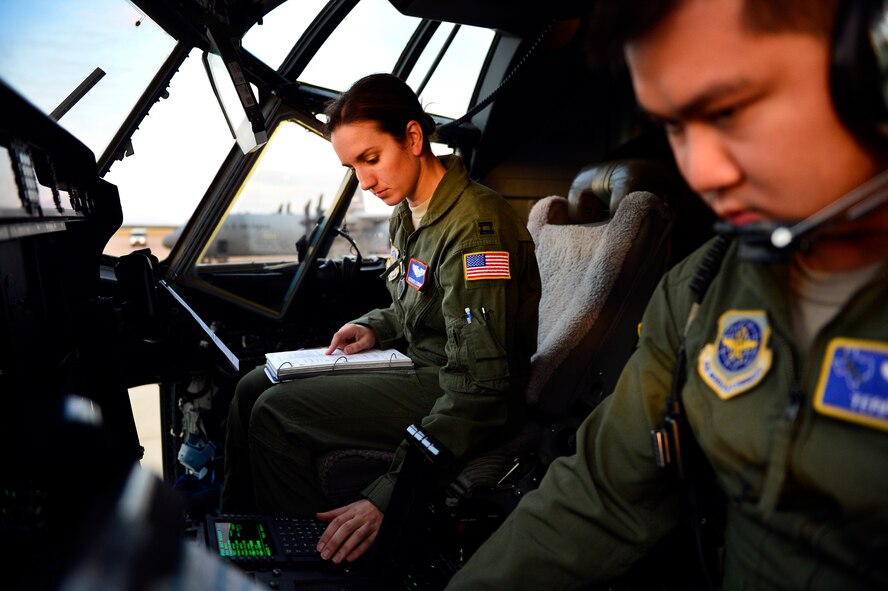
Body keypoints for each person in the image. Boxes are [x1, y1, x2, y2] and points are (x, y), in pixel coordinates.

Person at [446, 0, 888, 589]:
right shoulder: (702, 288)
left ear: (872, 69)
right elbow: (605, 493)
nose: (701, 171)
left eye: (731, 109)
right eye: (676, 126)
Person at [221, 73, 541, 564]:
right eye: (353, 167)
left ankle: (306, 563)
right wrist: (376, 325)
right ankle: (235, 543)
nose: (365, 182)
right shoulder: (408, 213)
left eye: (371, 159)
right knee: (250, 387)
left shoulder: (478, 227)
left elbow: (481, 384)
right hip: (421, 365)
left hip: (456, 388)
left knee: (275, 414)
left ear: (413, 138)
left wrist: (389, 492)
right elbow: (419, 303)